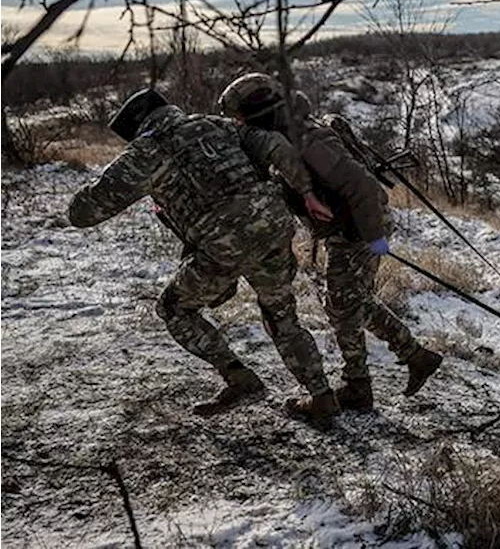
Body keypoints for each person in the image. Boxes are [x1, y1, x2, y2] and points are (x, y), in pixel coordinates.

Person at [67, 88, 339, 427]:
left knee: (174, 308)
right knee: (281, 314)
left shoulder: (144, 153)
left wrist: (104, 179)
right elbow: (274, 146)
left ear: (135, 129)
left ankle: (238, 377)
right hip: (271, 225)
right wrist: (306, 192)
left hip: (221, 244)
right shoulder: (216, 125)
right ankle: (322, 396)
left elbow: (83, 213)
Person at [219, 73, 443, 413]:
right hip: (349, 229)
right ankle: (413, 358)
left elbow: (364, 188)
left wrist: (372, 238)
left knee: (343, 306)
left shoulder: (309, 139)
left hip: (358, 229)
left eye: (239, 116)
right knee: (350, 303)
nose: (237, 124)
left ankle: (360, 386)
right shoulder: (286, 135)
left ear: (256, 111)